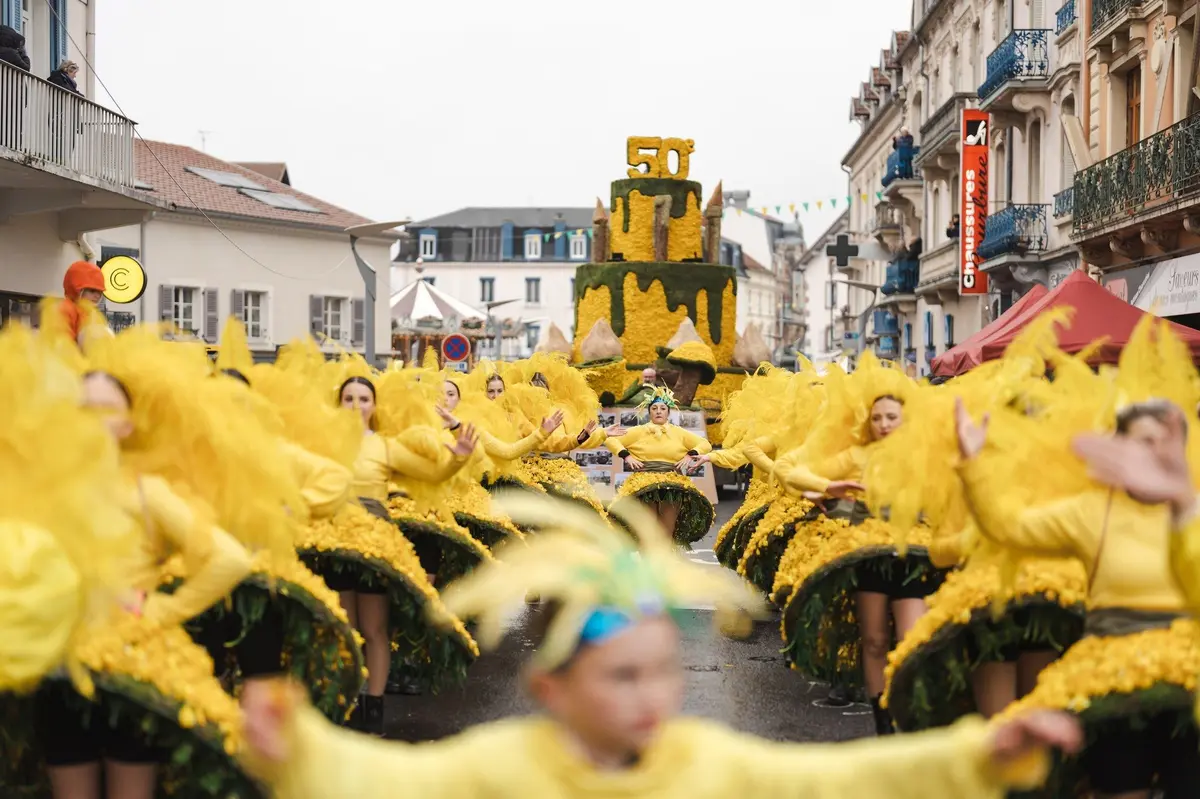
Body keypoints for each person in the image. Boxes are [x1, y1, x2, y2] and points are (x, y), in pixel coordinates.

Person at [239, 493, 1081, 799]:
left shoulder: (711, 763)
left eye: (667, 670)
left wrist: (979, 752)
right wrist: (301, 750)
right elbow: (394, 783)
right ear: (551, 687)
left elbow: (839, 779)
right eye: (622, 675)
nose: (654, 695)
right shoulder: (499, 767)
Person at [605, 386, 714, 543]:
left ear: (668, 412)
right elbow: (610, 439)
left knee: (666, 530)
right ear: (649, 412)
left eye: (663, 408)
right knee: (647, 529)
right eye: (654, 408)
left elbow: (705, 444)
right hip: (644, 485)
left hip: (671, 485)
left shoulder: (679, 433)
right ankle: (647, 562)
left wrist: (691, 454)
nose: (658, 411)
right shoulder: (638, 431)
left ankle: (663, 562)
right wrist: (626, 456)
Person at [58, 261, 109, 348]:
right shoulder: (66, 309)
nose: (97, 296)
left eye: (100, 292)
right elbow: (62, 343)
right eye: (92, 291)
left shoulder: (92, 314)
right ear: (77, 289)